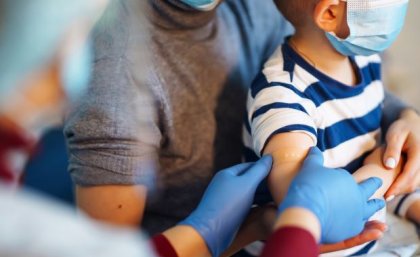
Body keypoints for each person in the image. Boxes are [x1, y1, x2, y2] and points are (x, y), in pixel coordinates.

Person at [0, 1, 387, 256]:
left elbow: (320, 66)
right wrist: (299, 219)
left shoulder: (257, 8)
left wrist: (403, 118)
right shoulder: (113, 70)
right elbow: (114, 247)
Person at [244, 0, 420, 255]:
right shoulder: (282, 96)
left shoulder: (364, 59)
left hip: (372, 231)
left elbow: (362, 161)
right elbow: (311, 206)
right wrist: (386, 167)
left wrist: (406, 187)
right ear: (330, 13)